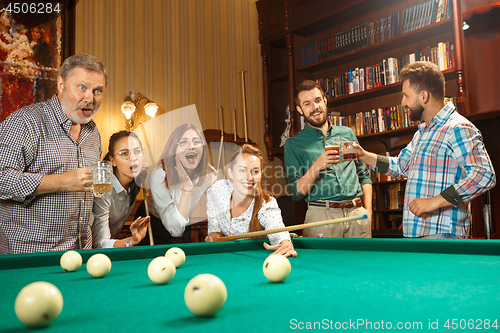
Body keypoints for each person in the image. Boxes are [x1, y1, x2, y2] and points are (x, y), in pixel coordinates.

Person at [353, 61, 496, 239]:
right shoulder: (422, 133)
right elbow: (400, 166)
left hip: (442, 236)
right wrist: (362, 155)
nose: (402, 102)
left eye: (405, 95)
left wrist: (433, 202)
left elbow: (484, 175)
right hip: (416, 235)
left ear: (424, 96)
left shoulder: (458, 128)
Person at [0, 53, 108, 254]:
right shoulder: (25, 122)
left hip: (79, 254)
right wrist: (62, 181)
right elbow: (2, 180)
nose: (90, 98)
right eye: (82, 88)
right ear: (61, 84)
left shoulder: (93, 133)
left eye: (97, 91)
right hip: (29, 255)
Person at [284, 80, 373, 238]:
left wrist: (368, 212)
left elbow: (364, 175)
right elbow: (297, 192)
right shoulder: (293, 144)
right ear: (299, 109)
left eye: (317, 100)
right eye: (307, 104)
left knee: (362, 263)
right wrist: (316, 166)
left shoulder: (347, 133)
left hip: (358, 215)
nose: (315, 107)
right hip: (321, 217)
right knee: (321, 263)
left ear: (325, 101)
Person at [205, 144, 297, 258]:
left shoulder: (266, 204)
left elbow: (276, 226)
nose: (249, 178)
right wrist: (214, 230)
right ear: (230, 173)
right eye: (242, 170)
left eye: (255, 171)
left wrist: (284, 242)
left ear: (261, 174)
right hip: (225, 258)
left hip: (255, 261)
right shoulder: (219, 189)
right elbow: (211, 198)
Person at [136, 123, 216, 245]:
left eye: (196, 142)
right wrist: (187, 187)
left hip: (183, 220)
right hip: (153, 223)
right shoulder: (159, 175)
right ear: (173, 150)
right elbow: (174, 229)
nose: (191, 147)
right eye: (183, 142)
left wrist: (214, 230)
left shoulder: (209, 175)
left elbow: (215, 206)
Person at [92, 131, 150, 248]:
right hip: (94, 255)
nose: (133, 158)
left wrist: (131, 241)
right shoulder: (103, 190)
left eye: (137, 151)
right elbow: (100, 244)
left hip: (112, 250)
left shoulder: (134, 184)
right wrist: (131, 241)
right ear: (112, 161)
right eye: (124, 153)